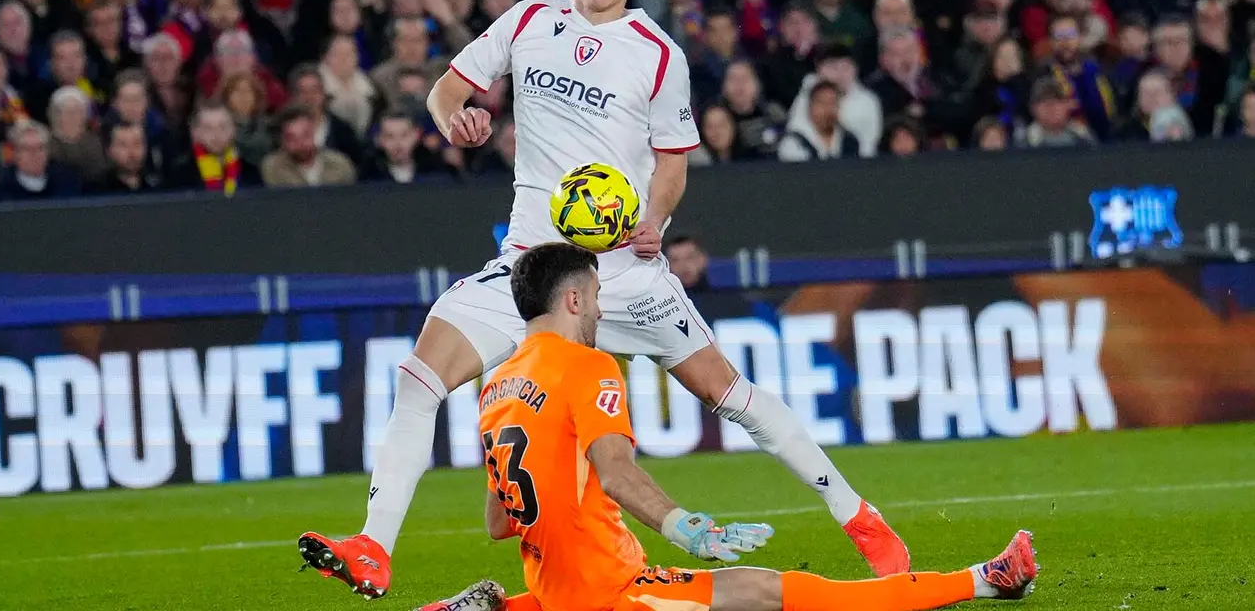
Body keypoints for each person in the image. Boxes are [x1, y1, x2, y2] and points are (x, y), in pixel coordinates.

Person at [297, 0, 909, 600]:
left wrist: (655, 219)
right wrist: (454, 119)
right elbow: (446, 90)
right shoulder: (529, 21)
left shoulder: (656, 55)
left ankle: (857, 515)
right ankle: (374, 545)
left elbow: (673, 164)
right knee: (420, 376)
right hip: (532, 263)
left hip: (622, 267)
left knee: (726, 392)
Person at [405, 243, 1039, 611]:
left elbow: (498, 521)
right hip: (614, 593)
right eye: (596, 297)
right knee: (786, 594)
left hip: (557, 586)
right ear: (573, 300)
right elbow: (618, 472)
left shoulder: (494, 386)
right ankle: (987, 579)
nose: (600, 309)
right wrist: (687, 527)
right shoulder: (587, 365)